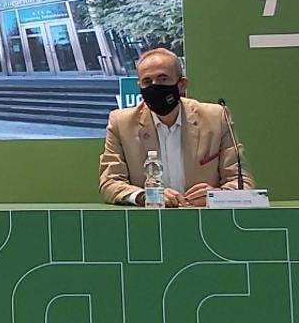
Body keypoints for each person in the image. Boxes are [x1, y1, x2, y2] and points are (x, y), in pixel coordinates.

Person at [99, 48, 254, 207]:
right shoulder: (121, 122)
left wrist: (215, 196)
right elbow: (110, 183)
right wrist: (147, 196)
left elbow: (242, 182)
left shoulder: (216, 118)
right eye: (147, 81)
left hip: (203, 220)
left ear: (181, 84)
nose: (155, 87)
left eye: (163, 79)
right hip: (150, 222)